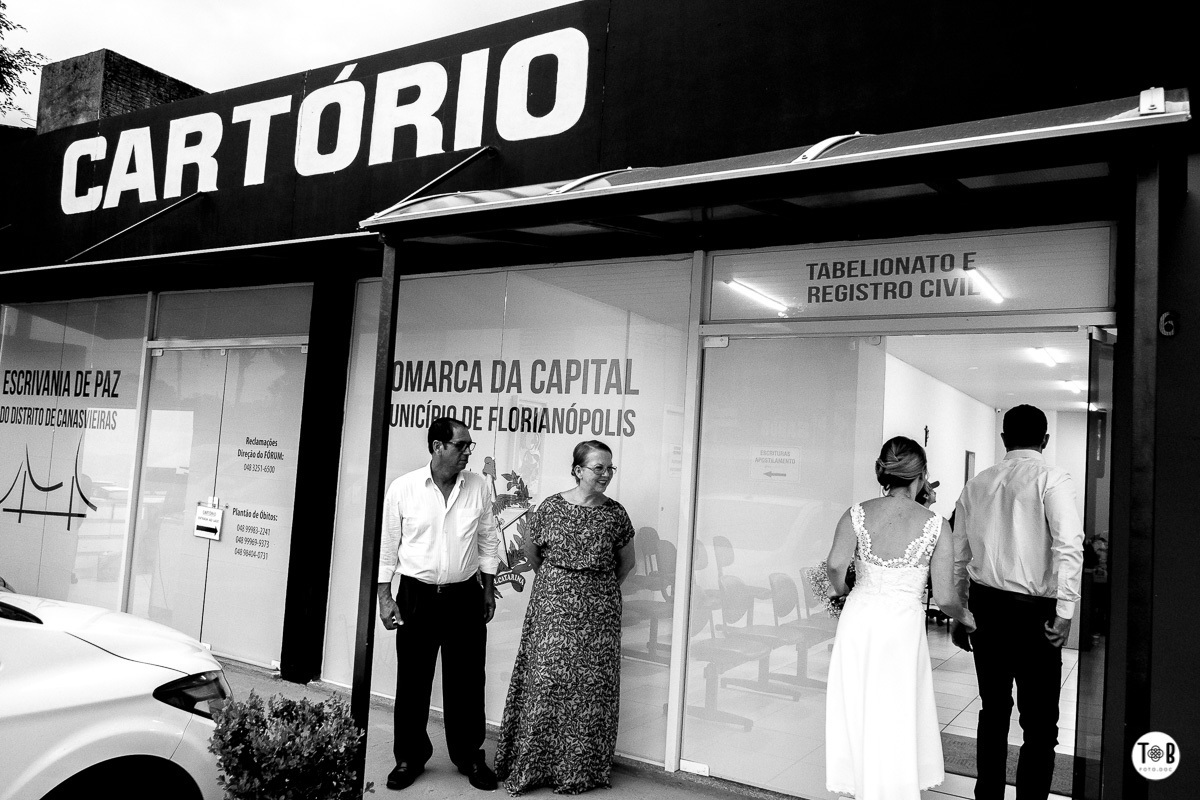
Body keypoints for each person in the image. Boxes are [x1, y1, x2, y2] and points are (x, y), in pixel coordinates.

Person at [825, 436, 975, 799]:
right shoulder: (936, 524)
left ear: (884, 472)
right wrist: (967, 617)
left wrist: (843, 593)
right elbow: (945, 596)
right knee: (896, 709)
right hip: (901, 627)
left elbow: (834, 565)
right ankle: (892, 787)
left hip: (859, 619)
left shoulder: (857, 512)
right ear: (921, 476)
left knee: (859, 703)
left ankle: (862, 783)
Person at [952, 404, 1084, 800]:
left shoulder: (977, 483)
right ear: (1045, 440)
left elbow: (960, 553)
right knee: (1040, 723)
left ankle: (987, 797)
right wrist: (1065, 612)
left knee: (993, 711)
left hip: (985, 608)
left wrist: (962, 611)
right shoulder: (1052, 478)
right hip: (1034, 616)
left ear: (1004, 439)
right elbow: (1068, 546)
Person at [494, 440, 637, 796]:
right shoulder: (551, 508)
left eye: (609, 468)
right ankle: (533, 765)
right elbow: (533, 552)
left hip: (598, 616)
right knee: (546, 682)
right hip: (552, 608)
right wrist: (564, 584)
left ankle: (578, 771)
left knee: (589, 691)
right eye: (598, 468)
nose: (605, 475)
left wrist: (593, 589)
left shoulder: (616, 514)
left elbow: (627, 563)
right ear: (577, 470)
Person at [376, 417, 502, 792]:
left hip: (464, 595)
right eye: (461, 445)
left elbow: (488, 539)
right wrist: (385, 598)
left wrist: (487, 588)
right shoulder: (404, 488)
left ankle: (469, 756)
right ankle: (410, 757)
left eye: (469, 445)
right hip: (417, 596)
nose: (468, 451)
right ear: (437, 446)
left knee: (466, 680)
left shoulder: (477, 486)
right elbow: (387, 547)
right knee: (413, 680)